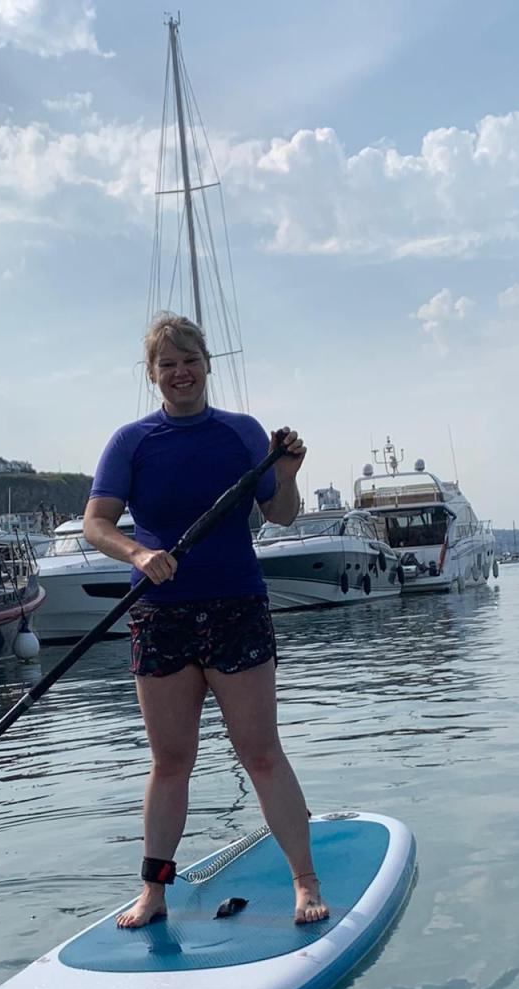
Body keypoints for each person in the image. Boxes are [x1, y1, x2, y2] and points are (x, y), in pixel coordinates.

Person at [84, 312, 329, 930]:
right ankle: (154, 891)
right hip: (161, 615)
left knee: (261, 752)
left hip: (235, 609)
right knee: (170, 762)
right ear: (152, 375)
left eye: (189, 360)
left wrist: (288, 477)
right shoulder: (131, 442)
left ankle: (304, 880)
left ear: (206, 365)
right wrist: (139, 554)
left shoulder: (243, 435)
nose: (180, 372)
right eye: (167, 364)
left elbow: (280, 517)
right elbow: (97, 524)